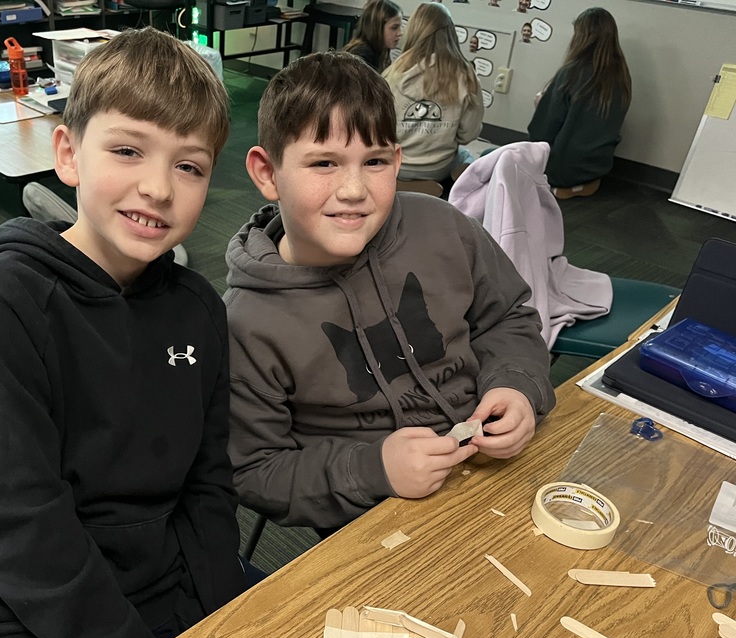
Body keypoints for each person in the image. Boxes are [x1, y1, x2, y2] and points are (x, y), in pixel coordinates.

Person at [0, 28, 253, 638]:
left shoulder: (199, 309)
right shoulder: (9, 297)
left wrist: (219, 614)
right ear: (69, 154)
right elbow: (14, 520)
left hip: (166, 582)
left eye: (190, 166)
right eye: (128, 151)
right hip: (25, 610)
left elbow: (209, 483)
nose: (159, 187)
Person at [225, 51, 555, 535]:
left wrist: (516, 386)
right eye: (324, 163)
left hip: (499, 468)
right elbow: (256, 471)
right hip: (374, 513)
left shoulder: (446, 227)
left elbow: (507, 317)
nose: (355, 189)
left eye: (374, 161)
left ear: (397, 161)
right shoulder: (245, 322)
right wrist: (374, 469)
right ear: (267, 173)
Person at [528, 7, 632, 198]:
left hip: (560, 168)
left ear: (582, 37)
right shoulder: (621, 76)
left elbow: (542, 132)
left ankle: (558, 185)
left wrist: (540, 105)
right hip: (599, 166)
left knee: (491, 157)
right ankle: (580, 185)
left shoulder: (570, 73)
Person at [382, 2, 484, 185]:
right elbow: (469, 135)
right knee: (467, 157)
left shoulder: (393, 73)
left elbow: (381, 129)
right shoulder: (467, 75)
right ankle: (446, 192)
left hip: (397, 165)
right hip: (439, 167)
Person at [342, 0, 403, 72]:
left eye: (400, 27)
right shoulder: (362, 56)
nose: (400, 33)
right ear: (377, 27)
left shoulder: (381, 51)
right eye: (394, 27)